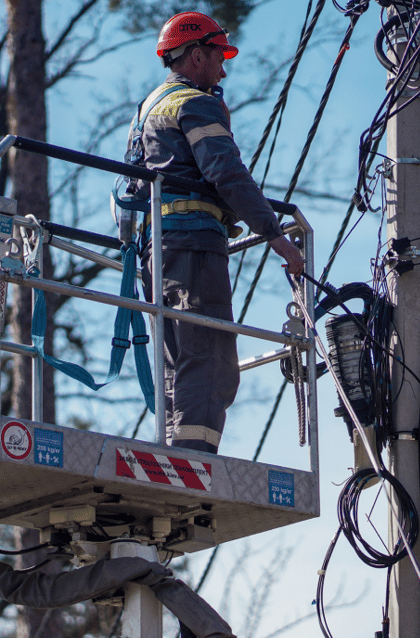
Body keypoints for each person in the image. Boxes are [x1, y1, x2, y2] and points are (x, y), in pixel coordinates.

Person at [125, 11, 304, 455]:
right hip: (193, 248)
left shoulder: (149, 108)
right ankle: (194, 464)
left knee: (179, 361)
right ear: (197, 55)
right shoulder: (194, 102)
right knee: (210, 359)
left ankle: (176, 454)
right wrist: (275, 236)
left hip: (157, 252)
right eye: (220, 56)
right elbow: (225, 171)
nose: (224, 69)